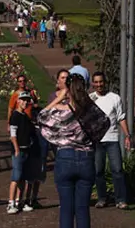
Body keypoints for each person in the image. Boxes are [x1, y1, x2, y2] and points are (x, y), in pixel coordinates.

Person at [36, 75, 95, 228]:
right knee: (83, 208)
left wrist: (58, 98)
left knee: (66, 208)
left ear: (67, 89)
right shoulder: (89, 110)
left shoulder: (60, 111)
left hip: (65, 156)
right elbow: (105, 122)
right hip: (86, 157)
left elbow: (41, 117)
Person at [89, 72, 131, 210]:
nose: (99, 85)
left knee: (117, 169)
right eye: (96, 82)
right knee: (98, 170)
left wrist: (127, 136)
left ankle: (121, 199)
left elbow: (121, 117)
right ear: (93, 84)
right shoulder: (90, 99)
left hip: (112, 139)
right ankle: (102, 198)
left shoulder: (114, 98)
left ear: (105, 82)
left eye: (101, 82)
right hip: (97, 140)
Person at [7, 91, 36, 214]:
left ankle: (20, 201)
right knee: (16, 177)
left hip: (26, 149)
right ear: (18, 101)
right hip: (19, 150)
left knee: (23, 178)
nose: (25, 102)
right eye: (23, 100)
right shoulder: (15, 116)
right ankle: (11, 202)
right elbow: (13, 135)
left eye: (27, 100)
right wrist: (17, 149)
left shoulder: (25, 116)